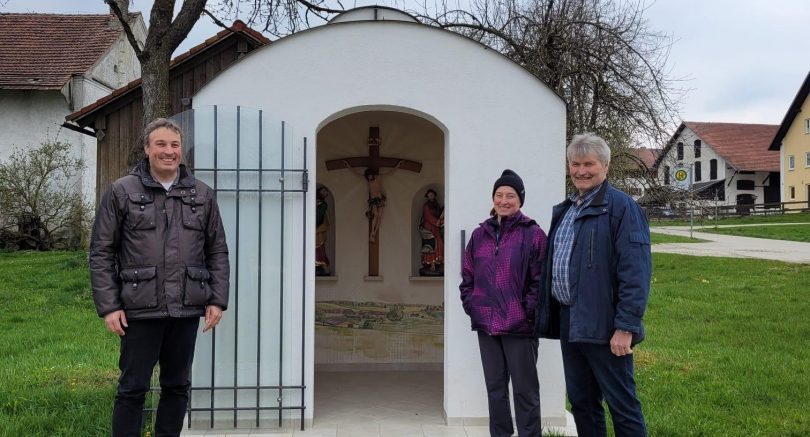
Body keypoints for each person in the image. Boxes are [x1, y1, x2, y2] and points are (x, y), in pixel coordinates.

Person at [90, 118, 230, 437]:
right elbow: (101, 251)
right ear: (147, 149)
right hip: (140, 309)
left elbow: (217, 250)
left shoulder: (202, 194)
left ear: (181, 150)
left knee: (177, 385)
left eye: (175, 145)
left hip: (185, 307)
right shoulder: (122, 191)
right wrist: (110, 306)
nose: (169, 151)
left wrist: (216, 300)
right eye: (161, 144)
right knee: (132, 388)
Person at [535, 133, 651, 437]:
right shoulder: (567, 209)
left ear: (605, 166)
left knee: (622, 405)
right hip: (570, 320)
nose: (581, 171)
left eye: (589, 164)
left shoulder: (622, 208)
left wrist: (626, 327)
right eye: (575, 164)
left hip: (606, 324)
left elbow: (635, 272)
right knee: (582, 402)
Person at [460, 169, 548, 437]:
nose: (504, 200)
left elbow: (541, 281)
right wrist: (473, 305)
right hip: (486, 325)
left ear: (520, 200)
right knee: (495, 390)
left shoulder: (533, 234)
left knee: (525, 391)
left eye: (510, 195)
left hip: (519, 326)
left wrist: (526, 312)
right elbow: (467, 276)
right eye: (499, 195)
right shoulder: (480, 235)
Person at [419, 188, 444, 276]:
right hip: (429, 227)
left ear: (434, 195)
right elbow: (428, 216)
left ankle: (439, 261)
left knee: (439, 242)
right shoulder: (426, 206)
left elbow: (438, 214)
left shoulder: (436, 205)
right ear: (427, 196)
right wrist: (437, 222)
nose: (430, 196)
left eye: (432, 195)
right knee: (431, 244)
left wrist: (442, 215)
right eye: (429, 195)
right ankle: (431, 264)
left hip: (435, 228)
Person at [315, 186, 332, 276]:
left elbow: (327, 222)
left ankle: (325, 269)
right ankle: (315, 269)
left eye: (326, 192)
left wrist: (317, 230)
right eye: (323, 191)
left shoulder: (324, 206)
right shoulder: (312, 204)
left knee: (320, 251)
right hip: (311, 233)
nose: (325, 193)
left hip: (318, 234)